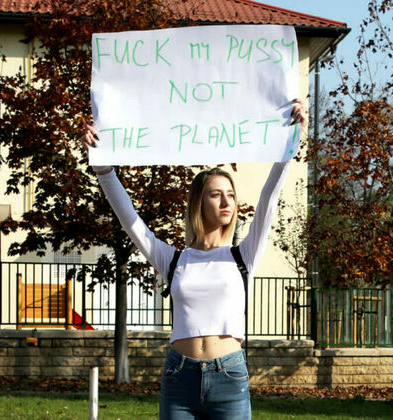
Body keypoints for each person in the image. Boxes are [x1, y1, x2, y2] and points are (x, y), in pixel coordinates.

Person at [82, 99, 308, 419]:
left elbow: (269, 198)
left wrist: (291, 140)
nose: (226, 201)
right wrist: (104, 169)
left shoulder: (243, 256)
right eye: (216, 194)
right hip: (180, 377)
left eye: (230, 194)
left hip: (229, 377)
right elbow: (131, 222)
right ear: (199, 203)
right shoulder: (175, 260)